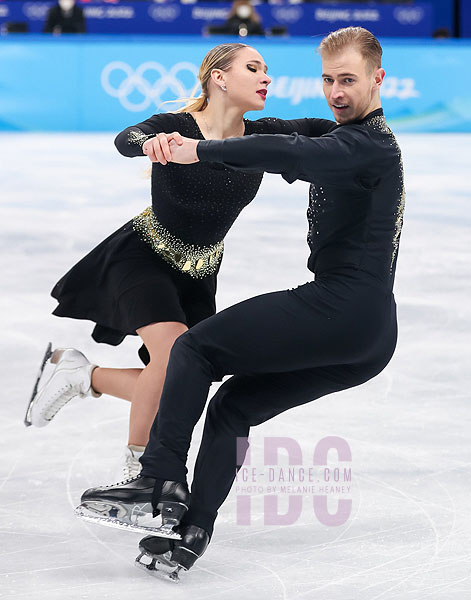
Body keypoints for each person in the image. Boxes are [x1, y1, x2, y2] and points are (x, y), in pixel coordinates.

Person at [78, 26, 406, 580]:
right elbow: (288, 147)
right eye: (328, 80)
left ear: (378, 79)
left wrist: (199, 150)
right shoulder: (345, 141)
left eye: (348, 80)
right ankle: (191, 532)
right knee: (233, 407)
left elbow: (279, 148)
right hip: (370, 339)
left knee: (194, 349)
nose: (336, 92)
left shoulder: (366, 144)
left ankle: (158, 477)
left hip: (343, 307)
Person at [26, 43, 337, 479]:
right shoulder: (177, 127)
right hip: (143, 256)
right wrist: (150, 142)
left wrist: (367, 126)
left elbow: (328, 130)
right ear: (219, 77)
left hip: (199, 273)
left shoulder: (263, 135)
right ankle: (140, 473)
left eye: (267, 70)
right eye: (253, 68)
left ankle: (84, 375)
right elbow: (126, 139)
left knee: (177, 378)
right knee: (172, 358)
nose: (266, 78)